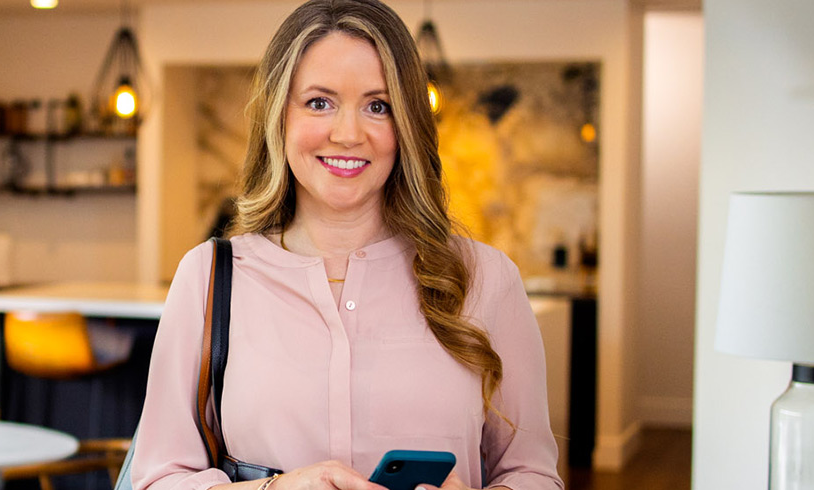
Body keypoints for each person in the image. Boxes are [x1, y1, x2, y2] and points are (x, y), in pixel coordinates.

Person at [128, 1, 562, 490]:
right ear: (279, 116)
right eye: (319, 102)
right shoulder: (207, 277)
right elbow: (156, 479)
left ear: (406, 126)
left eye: (378, 106)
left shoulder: (487, 280)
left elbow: (532, 474)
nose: (348, 134)